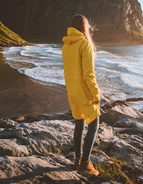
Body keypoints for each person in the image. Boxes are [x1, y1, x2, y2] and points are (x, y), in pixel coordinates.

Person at [62, 14, 101, 176]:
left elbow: (67, 71)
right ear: (85, 27)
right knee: (94, 124)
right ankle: (85, 163)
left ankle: (77, 159)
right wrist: (96, 94)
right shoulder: (84, 44)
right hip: (84, 91)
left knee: (79, 123)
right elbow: (88, 74)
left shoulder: (66, 46)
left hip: (72, 90)